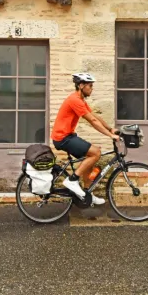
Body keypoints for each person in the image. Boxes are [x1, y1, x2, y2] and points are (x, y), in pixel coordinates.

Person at [51, 72, 119, 205]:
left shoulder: (80, 100)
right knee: (96, 153)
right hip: (63, 138)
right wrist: (110, 135)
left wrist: (110, 129)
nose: (92, 88)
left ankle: (87, 193)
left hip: (68, 136)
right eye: (90, 85)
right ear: (81, 85)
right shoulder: (74, 100)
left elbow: (94, 116)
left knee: (91, 155)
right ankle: (72, 180)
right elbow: (92, 121)